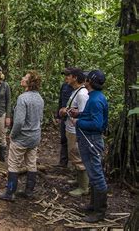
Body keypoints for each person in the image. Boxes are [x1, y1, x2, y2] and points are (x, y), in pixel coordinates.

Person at [0, 71, 44, 201]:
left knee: (13, 164)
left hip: (22, 138)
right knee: (31, 163)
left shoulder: (23, 98)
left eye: (25, 77)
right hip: (35, 137)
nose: (22, 78)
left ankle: (10, 192)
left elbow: (18, 122)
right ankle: (29, 191)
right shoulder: (39, 98)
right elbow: (40, 119)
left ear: (30, 82)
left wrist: (12, 135)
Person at [71, 70, 109, 223]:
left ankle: (100, 212)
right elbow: (92, 116)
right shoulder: (94, 97)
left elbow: (98, 124)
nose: (84, 80)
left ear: (90, 82)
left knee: (96, 174)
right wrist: (79, 114)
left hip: (91, 140)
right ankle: (93, 205)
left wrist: (78, 122)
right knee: (93, 173)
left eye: (86, 78)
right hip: (88, 139)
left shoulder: (95, 100)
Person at [58, 68, 89, 197]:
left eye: (68, 75)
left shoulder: (82, 94)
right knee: (73, 154)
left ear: (75, 77)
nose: (66, 78)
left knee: (78, 157)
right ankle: (79, 180)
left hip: (76, 130)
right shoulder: (75, 91)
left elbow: (83, 114)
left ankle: (84, 187)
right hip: (70, 128)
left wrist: (67, 111)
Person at [56, 70, 74, 167]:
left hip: (74, 118)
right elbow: (60, 100)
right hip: (64, 117)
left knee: (74, 141)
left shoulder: (78, 89)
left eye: (68, 75)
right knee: (63, 139)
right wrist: (58, 115)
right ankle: (63, 162)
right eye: (65, 75)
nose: (66, 77)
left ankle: (75, 164)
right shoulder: (64, 86)